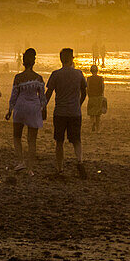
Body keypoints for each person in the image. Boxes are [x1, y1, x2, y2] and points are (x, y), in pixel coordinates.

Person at [45, 48, 88, 178]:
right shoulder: (78, 74)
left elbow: (48, 93)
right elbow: (84, 92)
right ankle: (79, 161)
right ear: (71, 59)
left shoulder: (56, 74)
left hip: (60, 112)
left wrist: (43, 107)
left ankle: (60, 168)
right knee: (76, 140)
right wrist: (78, 104)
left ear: (61, 59)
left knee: (59, 141)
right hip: (74, 112)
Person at [6, 48, 45, 174]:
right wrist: (43, 109)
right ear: (33, 62)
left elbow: (14, 95)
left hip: (20, 106)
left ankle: (21, 161)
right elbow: (42, 97)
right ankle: (30, 169)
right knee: (31, 140)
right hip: (34, 107)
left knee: (17, 136)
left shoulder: (18, 77)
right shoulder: (38, 78)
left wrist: (10, 110)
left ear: (23, 62)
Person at [87, 64, 107, 132]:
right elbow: (102, 88)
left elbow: (88, 88)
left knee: (92, 114)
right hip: (99, 97)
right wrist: (102, 96)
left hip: (92, 97)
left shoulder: (89, 78)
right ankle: (98, 129)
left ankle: (93, 123)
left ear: (91, 71)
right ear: (97, 71)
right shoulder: (101, 78)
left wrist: (88, 96)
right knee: (98, 115)